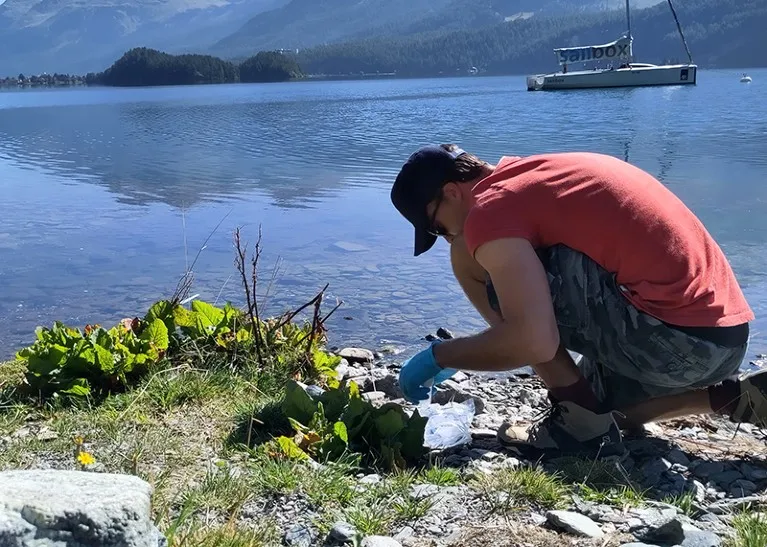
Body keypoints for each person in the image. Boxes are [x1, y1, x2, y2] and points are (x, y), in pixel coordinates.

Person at [390, 144, 762, 459]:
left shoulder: (489, 210)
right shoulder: (534, 174)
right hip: (722, 338)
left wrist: (441, 356)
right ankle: (729, 398)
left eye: (437, 227)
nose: (446, 235)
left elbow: (533, 341)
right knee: (603, 410)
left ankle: (579, 424)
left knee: (471, 258)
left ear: (453, 192)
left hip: (678, 342)